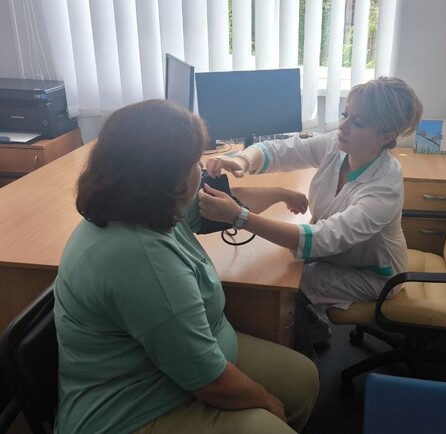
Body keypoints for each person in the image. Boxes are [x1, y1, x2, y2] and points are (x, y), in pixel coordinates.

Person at [53, 99, 319, 434]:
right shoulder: (141, 260)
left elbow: (220, 204)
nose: (203, 169)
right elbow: (209, 381)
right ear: (171, 179)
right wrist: (267, 401)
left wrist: (280, 193)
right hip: (135, 406)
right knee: (272, 424)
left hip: (184, 361)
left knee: (303, 379)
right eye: (195, 162)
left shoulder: (150, 206)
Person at [199, 76, 423, 358]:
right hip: (340, 256)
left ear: (386, 136)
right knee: (282, 268)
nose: (343, 126)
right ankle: (313, 326)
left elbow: (321, 239)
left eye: (357, 122)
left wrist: (239, 217)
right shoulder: (338, 147)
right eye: (345, 115)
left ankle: (304, 355)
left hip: (374, 275)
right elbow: (283, 150)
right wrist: (240, 161)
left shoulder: (384, 188)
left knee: (286, 285)